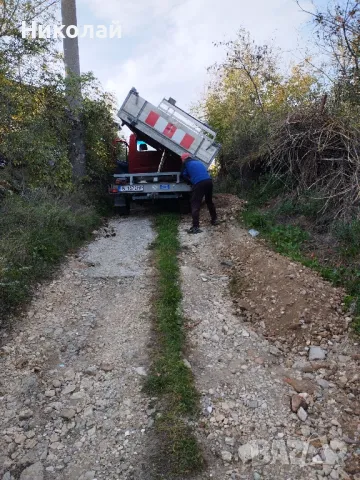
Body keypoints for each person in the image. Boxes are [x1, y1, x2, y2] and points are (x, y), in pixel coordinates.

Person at [181, 152, 218, 234]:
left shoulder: (186, 164)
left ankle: (195, 227)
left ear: (183, 159)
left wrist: (191, 182)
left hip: (199, 183)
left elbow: (183, 175)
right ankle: (214, 220)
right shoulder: (198, 162)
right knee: (209, 201)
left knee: (195, 204)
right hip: (209, 182)